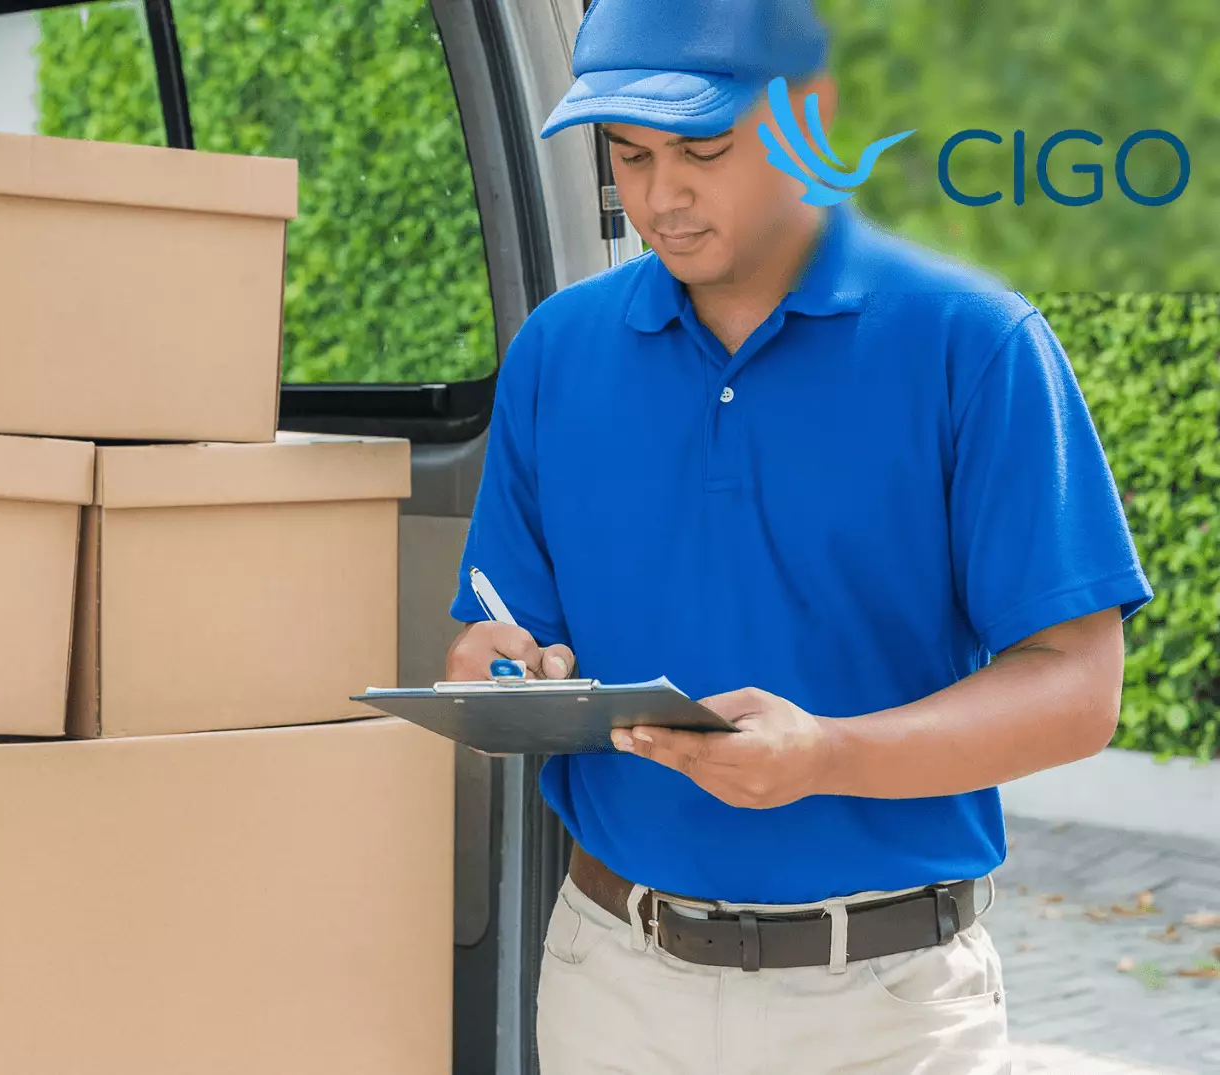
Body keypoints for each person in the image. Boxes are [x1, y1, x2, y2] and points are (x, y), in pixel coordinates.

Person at [445, 0, 1151, 1071]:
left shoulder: (973, 343)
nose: (658, 196)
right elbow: (489, 633)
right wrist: (499, 670)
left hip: (883, 1005)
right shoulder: (556, 353)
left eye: (701, 149)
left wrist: (825, 756)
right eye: (627, 154)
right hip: (611, 983)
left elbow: (1075, 688)